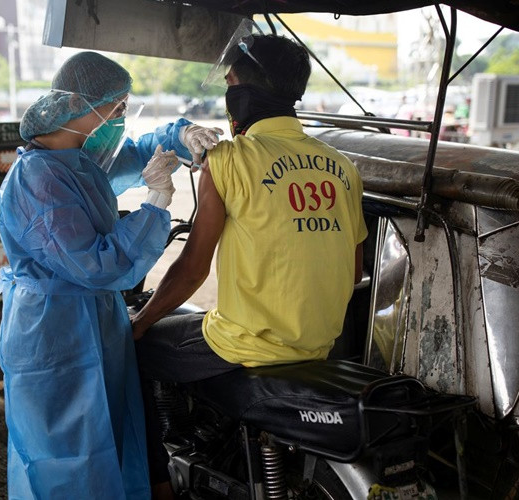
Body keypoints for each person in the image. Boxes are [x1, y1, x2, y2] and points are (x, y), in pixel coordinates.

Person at [131, 31, 367, 498]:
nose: (226, 93)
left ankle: (158, 485)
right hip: (318, 343)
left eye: (230, 82)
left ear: (244, 91)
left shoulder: (229, 159)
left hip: (244, 343)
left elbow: (192, 268)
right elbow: (356, 269)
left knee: (135, 351)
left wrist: (140, 321)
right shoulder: (341, 165)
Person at [0, 51, 222, 499]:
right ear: (78, 104)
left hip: (95, 325)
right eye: (115, 107)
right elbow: (97, 265)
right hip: (53, 335)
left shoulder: (82, 161)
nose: (120, 118)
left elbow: (143, 149)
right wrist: (155, 201)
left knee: (111, 449)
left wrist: (183, 133)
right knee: (65, 463)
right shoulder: (38, 177)